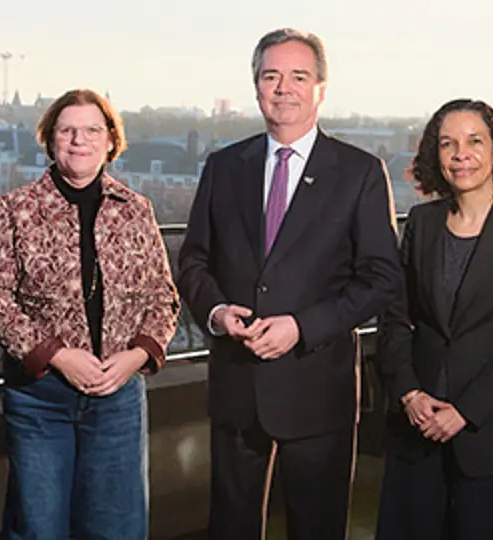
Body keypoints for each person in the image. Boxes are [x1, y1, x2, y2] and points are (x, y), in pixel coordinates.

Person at [175, 28, 401, 539]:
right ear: (256, 86)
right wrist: (215, 313)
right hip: (237, 386)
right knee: (230, 527)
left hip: (316, 389)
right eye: (271, 75)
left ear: (321, 87)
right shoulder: (223, 167)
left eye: (298, 76)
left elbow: (382, 277)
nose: (283, 88)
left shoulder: (360, 172)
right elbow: (193, 261)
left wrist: (302, 326)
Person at [0, 88, 180, 540]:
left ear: (111, 140)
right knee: (38, 528)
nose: (79, 140)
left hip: (119, 397)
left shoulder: (136, 210)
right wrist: (58, 355)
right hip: (40, 397)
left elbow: (163, 298)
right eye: (67, 130)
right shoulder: (18, 209)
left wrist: (137, 357)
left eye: (92, 130)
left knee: (117, 528)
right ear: (50, 140)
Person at [373, 99, 493, 539]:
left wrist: (464, 412)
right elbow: (395, 318)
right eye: (448, 144)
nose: (461, 154)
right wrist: (410, 393)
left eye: (475, 141)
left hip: (491, 434)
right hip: (417, 428)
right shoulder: (421, 222)